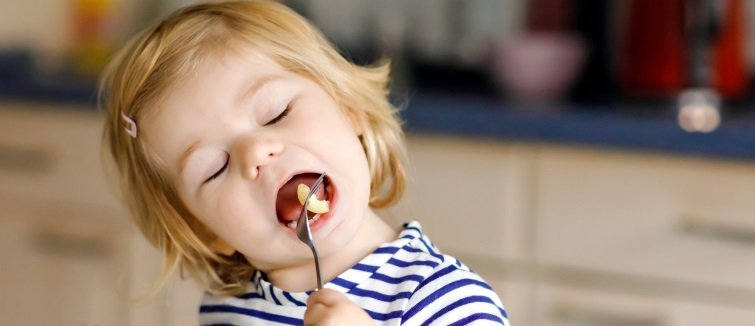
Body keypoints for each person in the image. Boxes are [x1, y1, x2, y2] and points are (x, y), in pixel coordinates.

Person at [100, 1, 509, 324]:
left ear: (349, 109)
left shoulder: (447, 301)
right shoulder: (228, 312)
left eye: (277, 113)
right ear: (205, 230)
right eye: (215, 167)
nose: (256, 153)